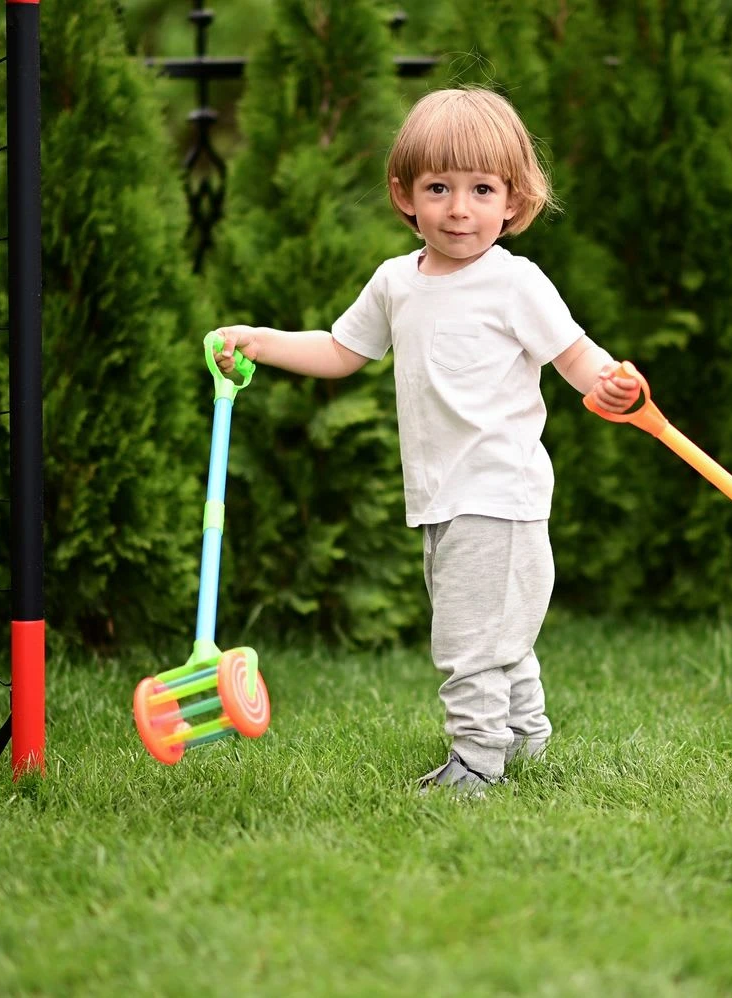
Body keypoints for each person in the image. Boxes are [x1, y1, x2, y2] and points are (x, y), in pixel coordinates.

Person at [210, 87, 639, 794]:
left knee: (468, 641)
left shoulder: (515, 283)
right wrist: (261, 343)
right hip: (439, 495)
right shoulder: (395, 284)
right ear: (405, 194)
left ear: (514, 200)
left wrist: (610, 383)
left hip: (500, 492)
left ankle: (477, 762)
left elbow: (575, 355)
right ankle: (526, 736)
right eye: (438, 187)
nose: (459, 208)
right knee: (490, 628)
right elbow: (340, 351)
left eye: (481, 189)